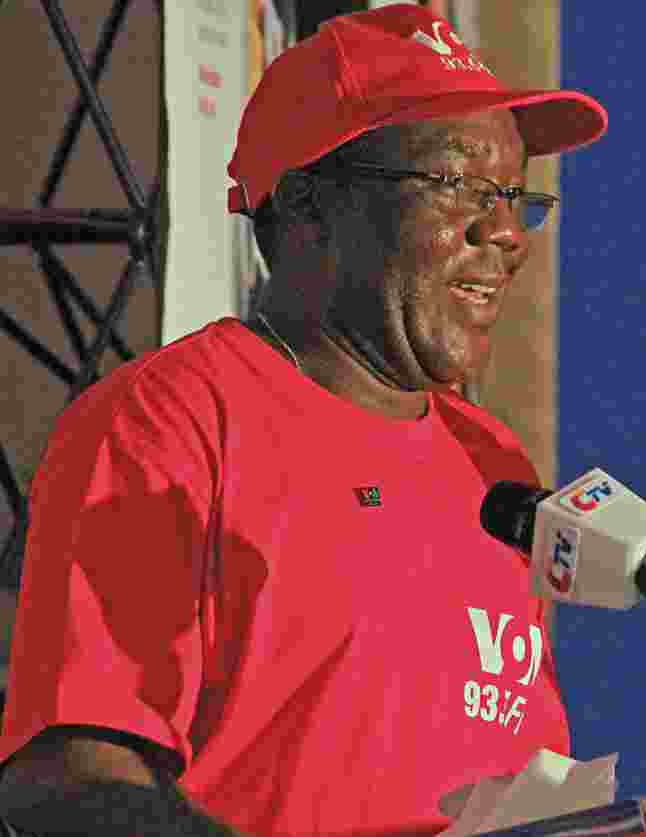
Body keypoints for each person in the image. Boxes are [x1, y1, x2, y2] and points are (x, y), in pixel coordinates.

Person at [0, 4, 606, 836]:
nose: (504, 233)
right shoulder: (170, 423)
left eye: (512, 195)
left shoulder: (493, 465)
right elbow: (72, 774)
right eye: (457, 184)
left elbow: (524, 781)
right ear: (309, 204)